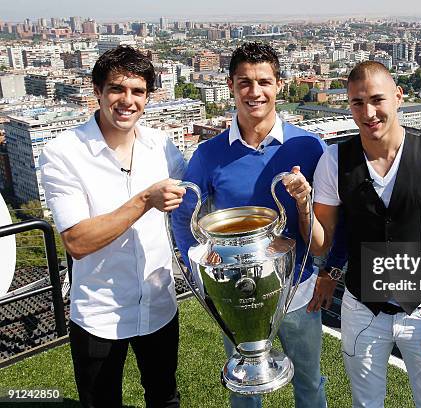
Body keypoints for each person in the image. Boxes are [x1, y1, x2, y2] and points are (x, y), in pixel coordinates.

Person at [284, 61, 421, 408]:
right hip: (362, 311)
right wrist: (303, 204)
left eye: (377, 99)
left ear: (398, 97)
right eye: (357, 102)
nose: (368, 112)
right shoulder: (333, 160)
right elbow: (322, 242)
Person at [172, 42, 341, 408]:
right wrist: (197, 269)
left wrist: (328, 272)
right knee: (245, 386)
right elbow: (184, 215)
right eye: (245, 82)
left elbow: (331, 219)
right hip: (238, 293)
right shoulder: (209, 153)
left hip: (299, 291)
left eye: (264, 81)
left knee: (310, 382)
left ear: (279, 85)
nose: (254, 92)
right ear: (231, 85)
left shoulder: (310, 146)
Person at [40, 45, 186, 408]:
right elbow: (76, 240)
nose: (127, 100)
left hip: (158, 305)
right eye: (117, 89)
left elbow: (189, 211)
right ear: (98, 91)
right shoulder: (63, 153)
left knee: (165, 397)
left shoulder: (162, 147)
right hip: (99, 313)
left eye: (138, 91)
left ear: (149, 97)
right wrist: (143, 200)